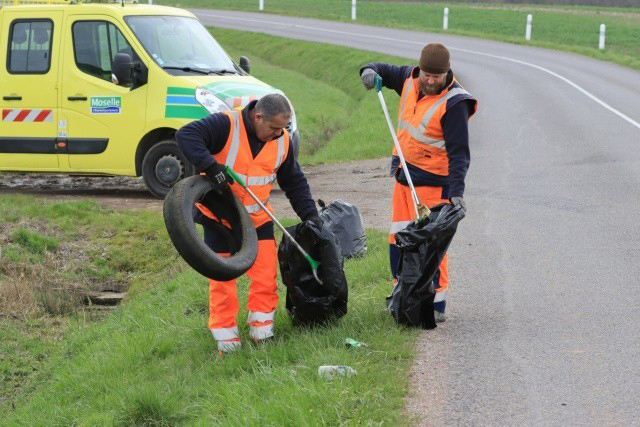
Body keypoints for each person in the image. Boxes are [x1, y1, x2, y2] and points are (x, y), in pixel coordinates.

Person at [176, 93, 321, 354]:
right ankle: (227, 343)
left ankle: (262, 334)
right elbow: (186, 136)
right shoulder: (225, 125)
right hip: (220, 220)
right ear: (258, 117)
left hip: (259, 219)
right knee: (222, 282)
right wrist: (210, 165)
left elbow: (294, 182)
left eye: (283, 129)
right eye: (274, 128)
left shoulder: (282, 141)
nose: (278, 134)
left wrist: (310, 215)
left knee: (266, 277)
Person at [359, 43, 477, 323]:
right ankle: (402, 296)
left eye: (436, 76)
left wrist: (457, 193)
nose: (430, 81)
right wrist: (368, 71)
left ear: (447, 73)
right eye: (426, 74)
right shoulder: (409, 79)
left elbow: (460, 154)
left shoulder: (455, 103)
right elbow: (380, 70)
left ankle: (435, 302)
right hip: (404, 177)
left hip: (434, 186)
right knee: (399, 239)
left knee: (430, 245)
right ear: (420, 69)